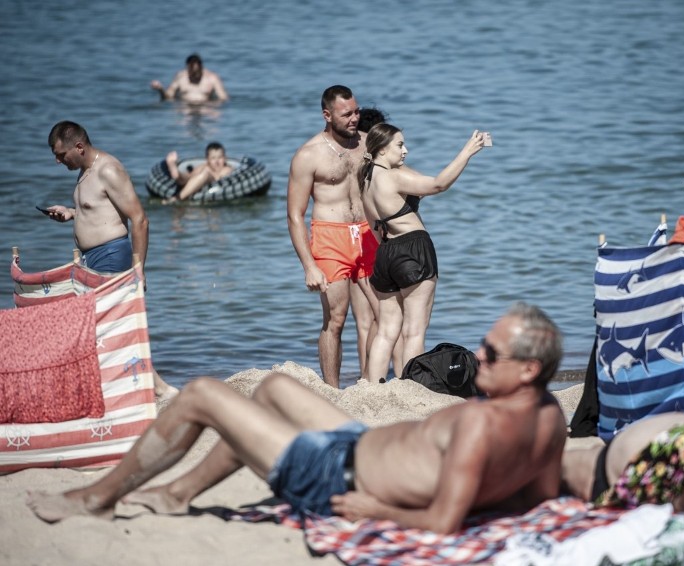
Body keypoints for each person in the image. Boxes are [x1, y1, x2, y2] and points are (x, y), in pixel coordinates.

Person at [27, 302, 568, 534]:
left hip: (335, 474)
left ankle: (95, 499)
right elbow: (539, 501)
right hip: (361, 443)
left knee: (202, 394)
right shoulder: (549, 419)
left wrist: (378, 508)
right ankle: (177, 492)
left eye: (492, 355)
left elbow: (443, 522)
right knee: (275, 387)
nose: (479, 357)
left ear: (528, 370)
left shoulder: (479, 424)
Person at [44, 120, 176, 400]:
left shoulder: (108, 170)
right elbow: (99, 211)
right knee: (107, 325)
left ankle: (158, 387)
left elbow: (140, 219)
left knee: (109, 324)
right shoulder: (84, 171)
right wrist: (71, 213)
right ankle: (142, 386)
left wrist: (138, 270)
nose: (57, 161)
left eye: (60, 154)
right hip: (92, 258)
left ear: (79, 147)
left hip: (112, 255)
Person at [287, 85, 400, 388]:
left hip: (367, 235)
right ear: (327, 115)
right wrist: (308, 265)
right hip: (329, 239)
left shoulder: (367, 145)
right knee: (335, 320)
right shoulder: (308, 155)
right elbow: (295, 215)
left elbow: (395, 182)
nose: (354, 118)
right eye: (346, 113)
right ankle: (332, 391)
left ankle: (370, 382)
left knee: (384, 314)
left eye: (356, 111)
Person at [357, 124, 486, 383]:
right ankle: (411, 388)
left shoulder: (366, 179)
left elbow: (373, 227)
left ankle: (372, 387)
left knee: (386, 330)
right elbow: (439, 185)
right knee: (414, 331)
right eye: (399, 145)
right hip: (413, 249)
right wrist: (467, 151)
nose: (406, 150)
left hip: (385, 253)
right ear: (381, 150)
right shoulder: (392, 176)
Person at [163, 142, 234, 203]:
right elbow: (191, 176)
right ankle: (177, 174)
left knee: (205, 173)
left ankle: (178, 197)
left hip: (211, 181)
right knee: (190, 176)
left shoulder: (227, 169)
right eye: (213, 158)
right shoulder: (203, 167)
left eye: (220, 157)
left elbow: (222, 181)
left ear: (225, 158)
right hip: (199, 178)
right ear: (207, 159)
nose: (217, 162)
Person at [151, 53, 228, 103]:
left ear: (201, 68)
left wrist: (215, 110)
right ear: (187, 68)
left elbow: (224, 98)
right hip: (185, 109)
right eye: (192, 71)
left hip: (206, 109)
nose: (195, 74)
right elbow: (168, 97)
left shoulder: (212, 78)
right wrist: (160, 89)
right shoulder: (181, 77)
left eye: (197, 71)